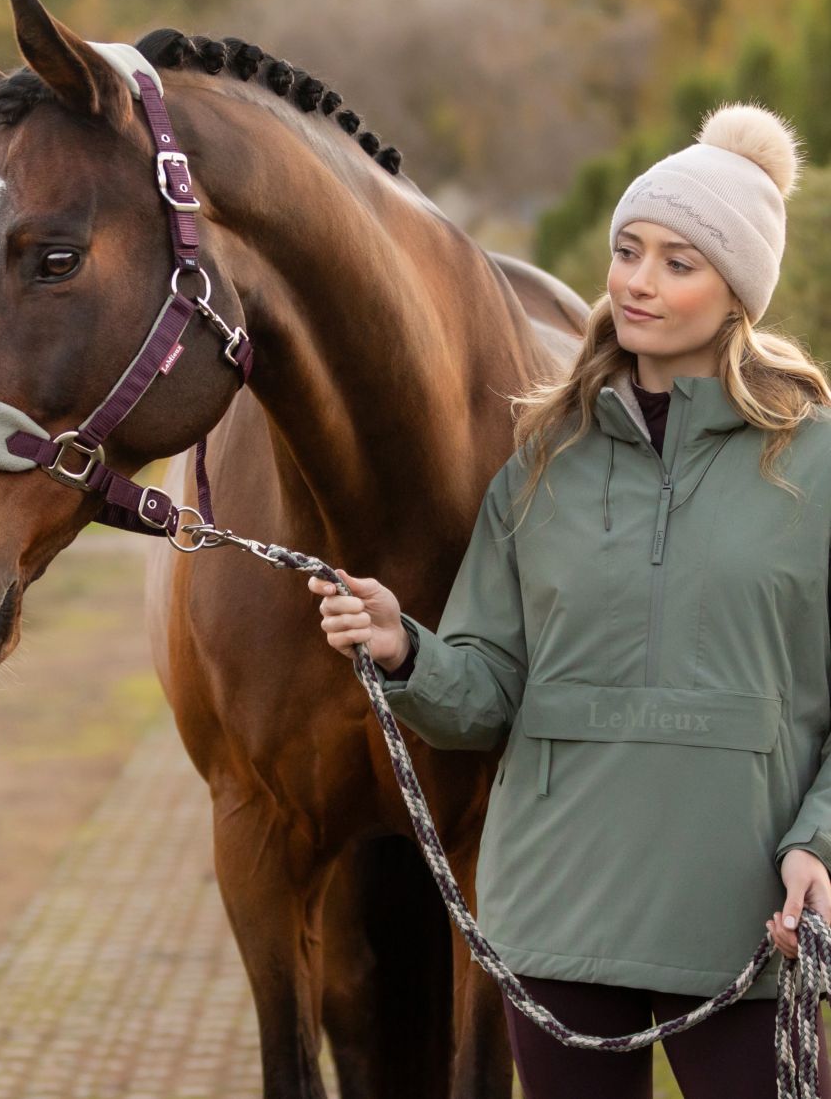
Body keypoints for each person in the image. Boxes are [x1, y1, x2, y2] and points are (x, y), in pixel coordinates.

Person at [309, 103, 831, 1098]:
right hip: (554, 909)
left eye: (679, 261)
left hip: (744, 907)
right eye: (628, 250)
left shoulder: (815, 464)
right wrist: (405, 649)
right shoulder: (542, 462)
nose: (637, 280)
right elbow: (488, 687)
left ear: (738, 293)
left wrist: (817, 841)